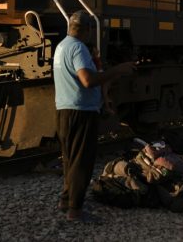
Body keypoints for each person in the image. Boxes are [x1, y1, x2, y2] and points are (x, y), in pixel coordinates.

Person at [54, 11, 135, 221]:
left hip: (63, 110)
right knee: (82, 162)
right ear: (88, 30)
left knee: (70, 160)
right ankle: (75, 210)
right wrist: (118, 70)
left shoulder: (62, 46)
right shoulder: (78, 48)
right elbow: (87, 80)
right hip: (80, 112)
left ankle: (65, 199)